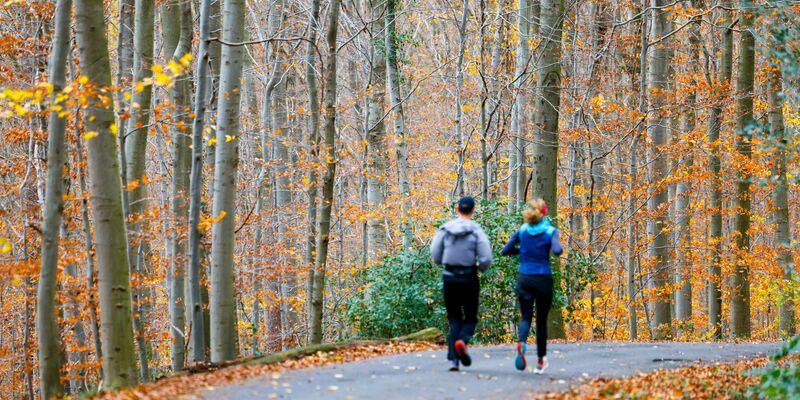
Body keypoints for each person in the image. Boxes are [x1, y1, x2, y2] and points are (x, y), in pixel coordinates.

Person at [501, 198, 563, 374]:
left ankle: (521, 341)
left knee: (526, 317)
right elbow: (558, 251)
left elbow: (505, 250)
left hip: (525, 278)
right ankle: (540, 362)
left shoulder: (522, 230)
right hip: (543, 279)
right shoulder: (550, 231)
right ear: (544, 213)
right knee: (541, 322)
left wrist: (523, 251)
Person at [431, 196, 493, 371]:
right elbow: (486, 257)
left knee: (454, 318)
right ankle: (462, 341)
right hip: (469, 277)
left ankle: (454, 361)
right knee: (471, 317)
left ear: (458, 209)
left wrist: (441, 262)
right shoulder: (476, 230)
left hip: (449, 276)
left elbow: (435, 253)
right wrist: (479, 268)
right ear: (472, 211)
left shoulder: (445, 229)